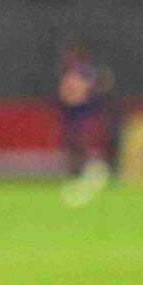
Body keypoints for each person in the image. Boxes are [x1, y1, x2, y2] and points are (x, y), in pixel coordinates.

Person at [56, 42, 115, 205]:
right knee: (73, 143)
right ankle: (77, 172)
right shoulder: (68, 72)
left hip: (84, 111)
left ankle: (94, 170)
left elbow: (91, 90)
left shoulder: (87, 72)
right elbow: (65, 92)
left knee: (86, 143)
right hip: (71, 112)